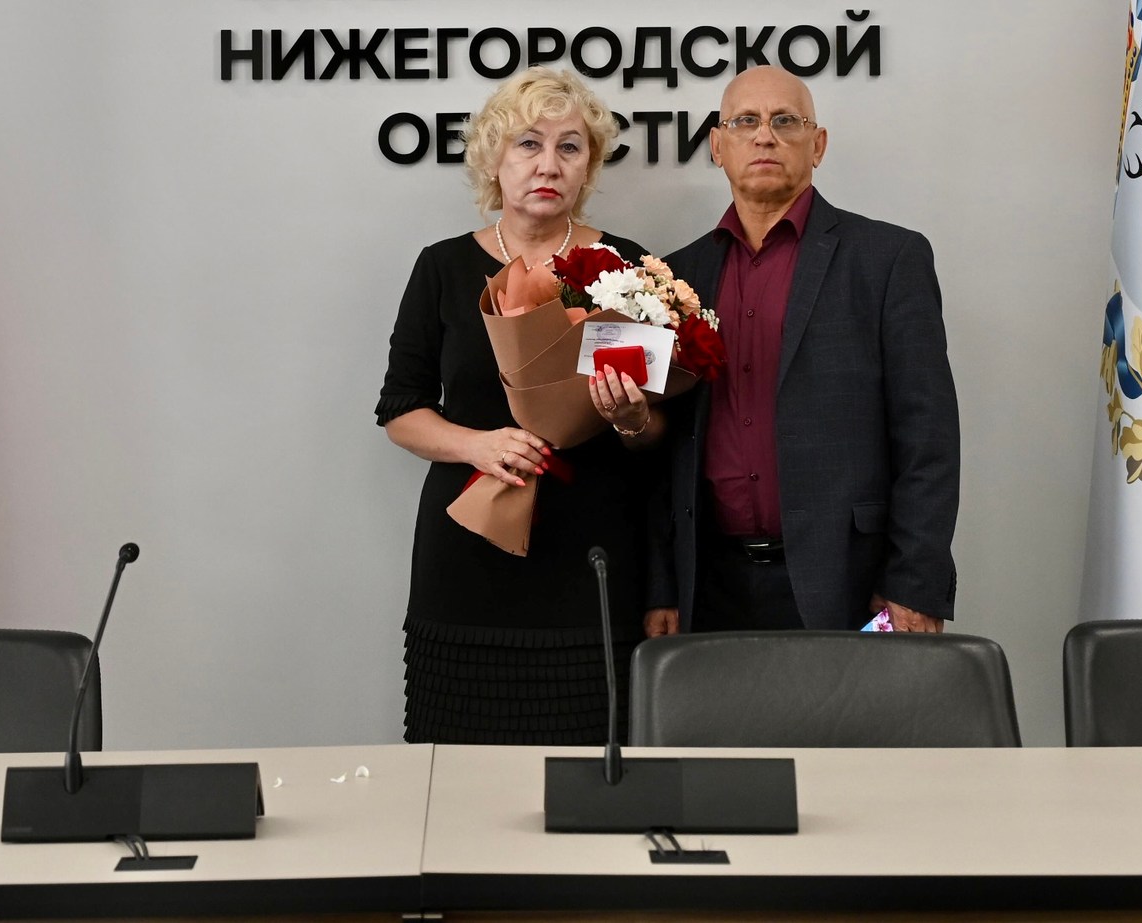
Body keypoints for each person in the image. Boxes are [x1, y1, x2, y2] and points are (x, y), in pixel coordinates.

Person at [377, 67, 663, 743]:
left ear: (588, 166)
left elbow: (657, 433)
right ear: (493, 159)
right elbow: (400, 409)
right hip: (468, 553)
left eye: (570, 147)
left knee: (593, 758)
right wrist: (476, 444)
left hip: (593, 556)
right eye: (528, 143)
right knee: (457, 762)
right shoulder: (441, 267)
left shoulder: (627, 269)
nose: (548, 164)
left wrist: (631, 419)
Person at [644, 66, 960, 637]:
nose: (764, 136)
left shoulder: (887, 260)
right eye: (745, 122)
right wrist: (662, 584)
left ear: (818, 145)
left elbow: (928, 438)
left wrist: (914, 582)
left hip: (848, 583)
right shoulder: (677, 276)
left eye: (785, 121)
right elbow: (665, 456)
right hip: (707, 586)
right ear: (717, 145)